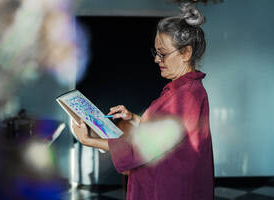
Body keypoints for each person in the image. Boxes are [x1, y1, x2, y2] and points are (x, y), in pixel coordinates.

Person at [72, 3, 214, 200]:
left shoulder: (187, 96)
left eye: (163, 53)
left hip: (168, 190)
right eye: (156, 52)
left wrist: (88, 140)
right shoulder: (181, 89)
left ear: (186, 53)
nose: (157, 60)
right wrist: (132, 118)